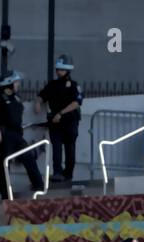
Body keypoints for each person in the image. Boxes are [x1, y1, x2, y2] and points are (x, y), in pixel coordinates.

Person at [0, 70, 44, 201]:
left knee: (28, 157)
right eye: (16, 82)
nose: (18, 84)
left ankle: (39, 186)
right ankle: (6, 197)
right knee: (3, 167)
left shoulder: (16, 98)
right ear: (9, 84)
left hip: (17, 135)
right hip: (4, 137)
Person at [36, 53, 83, 183]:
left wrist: (61, 114)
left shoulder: (73, 85)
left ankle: (68, 174)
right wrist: (38, 103)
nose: (58, 72)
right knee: (56, 148)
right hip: (55, 123)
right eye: (57, 69)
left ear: (67, 70)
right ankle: (57, 173)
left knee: (70, 149)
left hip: (69, 121)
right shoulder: (52, 85)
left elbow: (76, 103)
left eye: (61, 69)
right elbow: (42, 95)